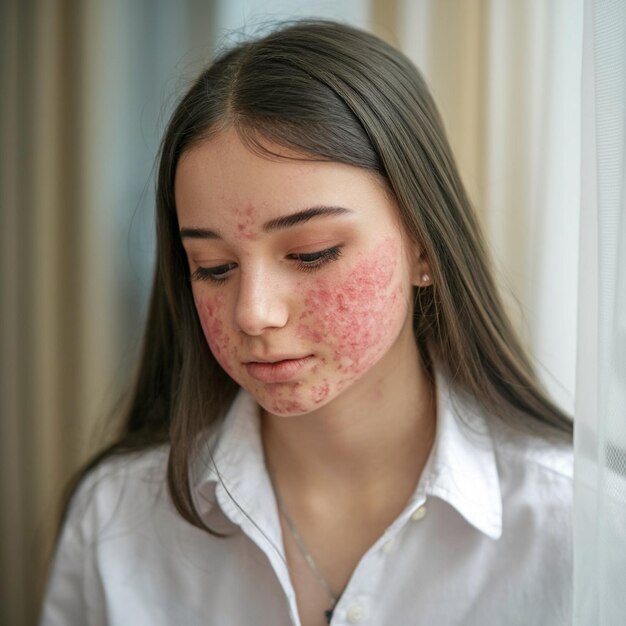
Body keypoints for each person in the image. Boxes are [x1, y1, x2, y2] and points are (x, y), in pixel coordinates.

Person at [39, 19, 573, 626]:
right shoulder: (116, 520)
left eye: (312, 253)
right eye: (212, 268)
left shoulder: (578, 526)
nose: (253, 312)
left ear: (425, 246)